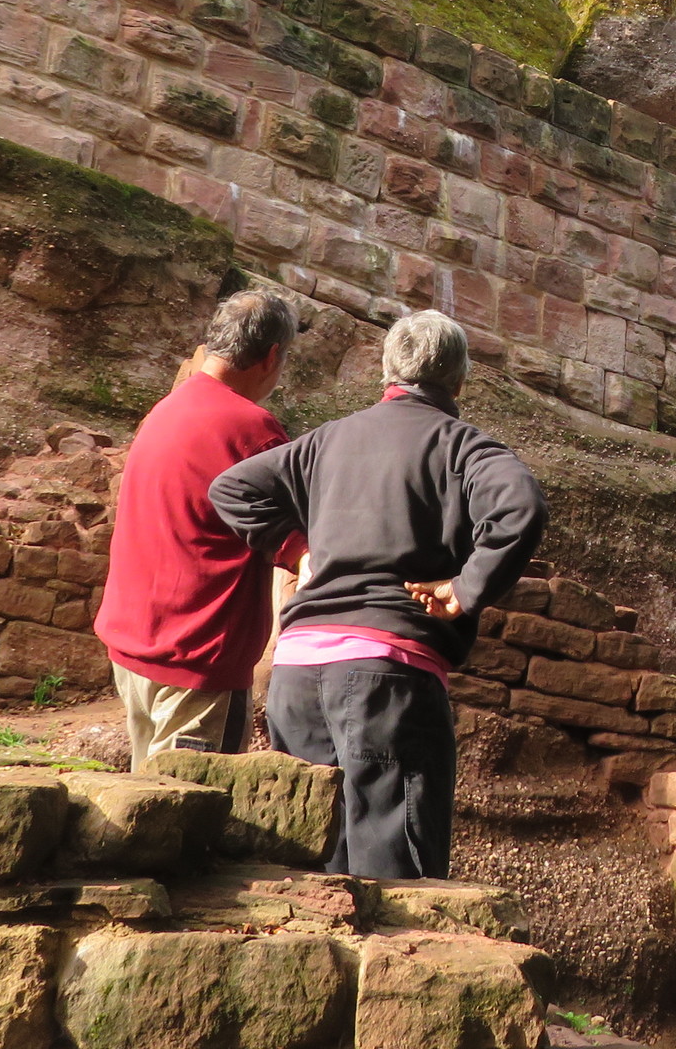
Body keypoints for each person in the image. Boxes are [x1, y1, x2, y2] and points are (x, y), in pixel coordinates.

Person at [208, 308, 547, 879]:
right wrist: (465, 589)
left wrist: (297, 551)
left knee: (307, 871)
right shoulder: (463, 446)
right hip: (388, 678)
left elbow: (232, 486)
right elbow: (522, 508)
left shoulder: (325, 441)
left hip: (297, 676)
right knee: (397, 881)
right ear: (459, 380)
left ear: (387, 371)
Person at [94, 288, 304, 767]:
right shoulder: (252, 430)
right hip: (199, 660)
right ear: (271, 356)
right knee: (188, 805)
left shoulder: (166, 409)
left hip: (134, 647)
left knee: (144, 796)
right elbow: (295, 542)